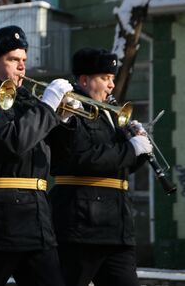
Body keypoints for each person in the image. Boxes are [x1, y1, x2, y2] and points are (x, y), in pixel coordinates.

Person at [0, 25, 71, 286]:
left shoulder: (28, 103)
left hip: (37, 218)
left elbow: (62, 157)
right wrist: (47, 109)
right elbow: (11, 141)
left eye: (23, 60)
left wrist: (64, 120)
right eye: (12, 60)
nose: (22, 67)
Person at [47, 48, 153, 286]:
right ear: (84, 80)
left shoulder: (109, 114)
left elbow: (116, 169)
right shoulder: (69, 110)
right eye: (105, 78)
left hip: (116, 227)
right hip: (81, 226)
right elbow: (82, 158)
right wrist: (130, 149)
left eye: (113, 78)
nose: (111, 85)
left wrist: (140, 149)